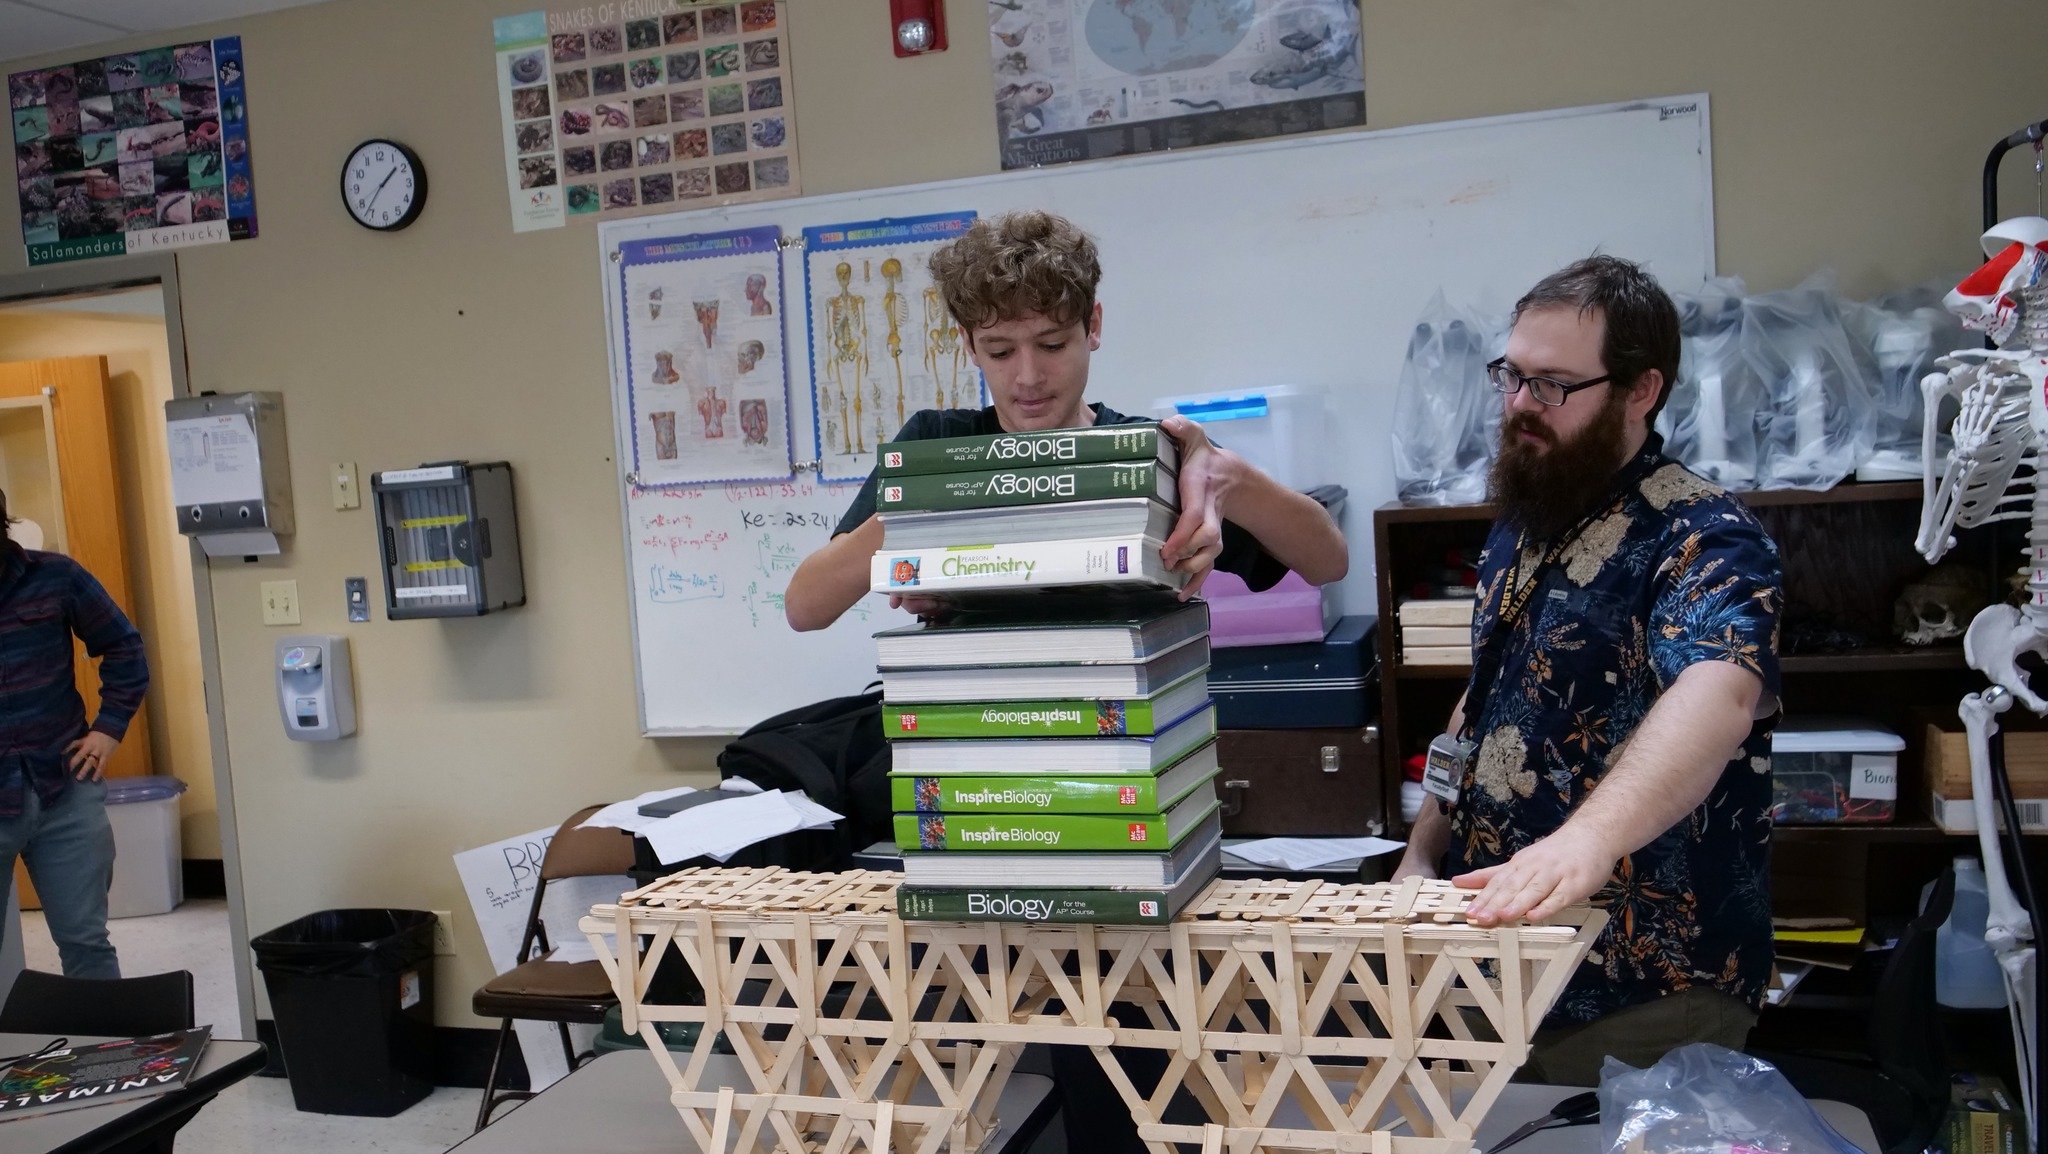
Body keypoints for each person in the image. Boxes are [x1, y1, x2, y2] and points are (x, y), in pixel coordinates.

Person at [1390, 255, 1782, 1085]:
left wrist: (1587, 842)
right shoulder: (1531, 511)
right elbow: (1486, 698)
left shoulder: (1706, 536)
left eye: (1554, 386)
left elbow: (1719, 691)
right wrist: (1424, 850)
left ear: (1641, 390)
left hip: (1644, 989)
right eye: (1513, 377)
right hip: (1502, 959)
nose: (1522, 407)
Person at [784, 209, 1348, 631]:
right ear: (968, 346)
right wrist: (925, 516)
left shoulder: (1146, 454)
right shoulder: (935, 445)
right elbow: (805, 607)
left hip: (1124, 727)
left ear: (1092, 327)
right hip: (974, 733)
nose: (1028, 377)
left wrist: (1231, 478)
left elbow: (1328, 561)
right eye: (1000, 351)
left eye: (1052, 344)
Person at [0, 489, 149, 979]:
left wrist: (108, 730)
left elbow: (124, 647)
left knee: (86, 943)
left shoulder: (56, 577)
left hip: (63, 786)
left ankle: (101, 1054)